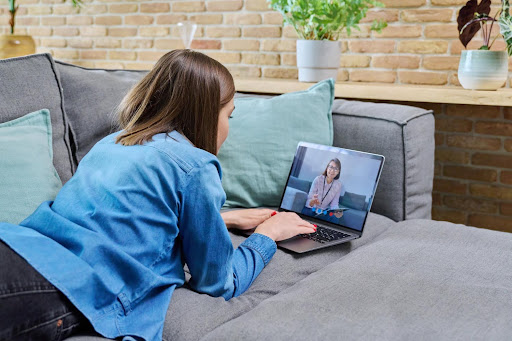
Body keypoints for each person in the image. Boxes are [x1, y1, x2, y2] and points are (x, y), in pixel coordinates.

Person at [0, 50, 317, 341]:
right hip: (64, 285)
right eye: (229, 115)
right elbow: (217, 282)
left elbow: (124, 219)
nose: (227, 127)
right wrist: (267, 235)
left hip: (18, 245)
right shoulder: (195, 166)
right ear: (207, 114)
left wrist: (221, 218)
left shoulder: (114, 143)